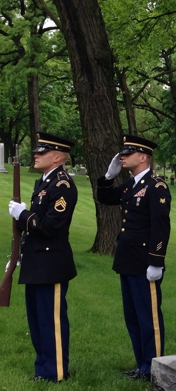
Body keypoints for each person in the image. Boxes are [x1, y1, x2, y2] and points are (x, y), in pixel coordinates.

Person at [96, 134, 171, 382]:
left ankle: (153, 368)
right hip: (127, 260)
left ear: (143, 157)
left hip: (144, 262)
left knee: (148, 318)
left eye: (128, 153)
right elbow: (106, 198)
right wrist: (108, 177)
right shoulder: (130, 185)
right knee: (133, 317)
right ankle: (142, 364)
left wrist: (156, 261)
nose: (123, 157)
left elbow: (160, 226)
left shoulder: (156, 186)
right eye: (123, 153)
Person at [8, 131, 77, 382]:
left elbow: (49, 226)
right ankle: (43, 369)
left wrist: (23, 214)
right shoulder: (44, 183)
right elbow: (33, 229)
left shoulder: (63, 185)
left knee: (51, 321)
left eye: (42, 152)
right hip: (36, 260)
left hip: (52, 263)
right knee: (37, 322)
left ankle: (57, 372)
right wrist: (19, 253)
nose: (36, 155)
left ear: (57, 157)